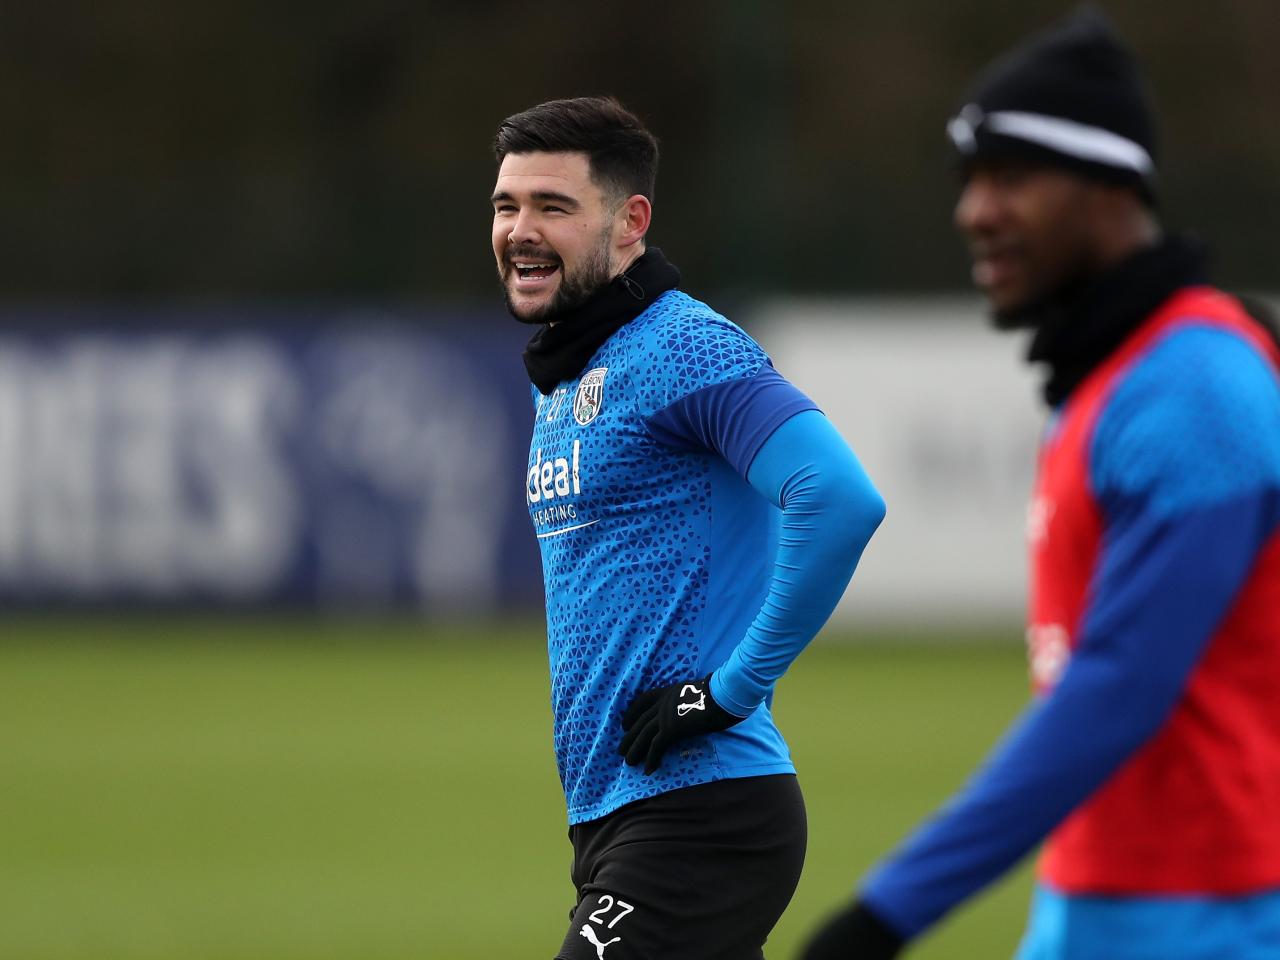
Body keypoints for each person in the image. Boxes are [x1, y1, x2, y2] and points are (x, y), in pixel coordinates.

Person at [801, 9, 1280, 960]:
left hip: (1214, 913)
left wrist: (884, 912)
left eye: (1011, 178)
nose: (974, 211)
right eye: (971, 181)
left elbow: (1119, 687)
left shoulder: (1194, 389)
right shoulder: (1114, 376)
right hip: (1104, 895)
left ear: (1109, 187)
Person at [491, 96, 885, 960]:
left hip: (704, 812)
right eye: (507, 204)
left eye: (553, 207)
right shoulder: (565, 369)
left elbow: (840, 497)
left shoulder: (683, 347)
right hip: (612, 814)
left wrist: (731, 690)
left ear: (630, 222)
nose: (521, 229)